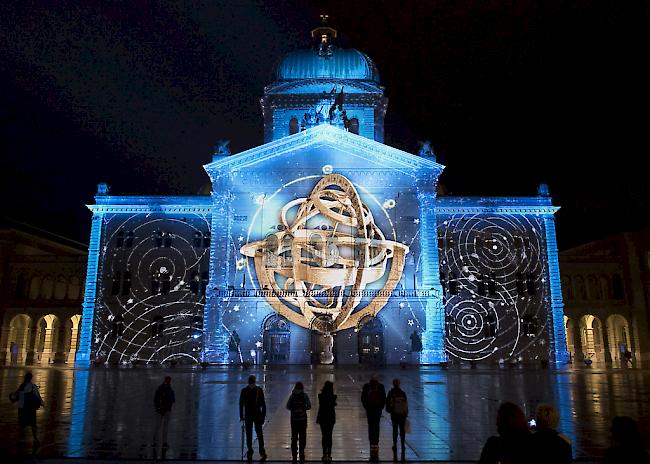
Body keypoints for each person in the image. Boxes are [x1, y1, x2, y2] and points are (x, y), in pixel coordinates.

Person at [11, 372, 43, 451]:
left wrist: (13, 399)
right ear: (31, 378)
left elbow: (18, 396)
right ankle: (35, 438)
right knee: (33, 424)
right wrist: (41, 403)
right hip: (31, 408)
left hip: (23, 409)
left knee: (22, 424)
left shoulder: (22, 386)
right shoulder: (33, 387)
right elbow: (38, 396)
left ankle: (21, 439)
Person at [239, 375, 267, 462]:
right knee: (259, 434)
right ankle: (262, 451)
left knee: (249, 434)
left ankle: (250, 451)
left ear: (248, 381)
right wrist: (263, 416)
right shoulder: (259, 390)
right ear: (255, 381)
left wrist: (241, 416)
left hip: (248, 415)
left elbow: (241, 404)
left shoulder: (244, 390)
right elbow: (263, 405)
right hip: (257, 414)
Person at [361, 374, 386, 462]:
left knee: (371, 425)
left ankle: (372, 442)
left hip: (370, 409)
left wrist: (366, 407)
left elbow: (363, 398)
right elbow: (384, 398)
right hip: (377, 410)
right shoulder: (381, 387)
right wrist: (381, 407)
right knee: (376, 425)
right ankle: (376, 442)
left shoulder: (367, 386)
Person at [286, 381, 311, 463]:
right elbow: (309, 406)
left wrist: (294, 409)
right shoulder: (304, 395)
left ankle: (294, 454)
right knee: (302, 437)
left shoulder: (292, 396)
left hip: (294, 420)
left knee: (294, 437)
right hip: (303, 420)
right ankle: (301, 453)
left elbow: (288, 406)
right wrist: (303, 408)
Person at [386, 378, 408, 461]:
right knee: (402, 429)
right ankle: (402, 445)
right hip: (402, 414)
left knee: (395, 429)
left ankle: (395, 445)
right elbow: (406, 404)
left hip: (394, 414)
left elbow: (387, 403)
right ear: (399, 384)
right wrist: (406, 413)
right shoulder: (402, 393)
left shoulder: (391, 393)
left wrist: (389, 410)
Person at [153, 376, 175, 451]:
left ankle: (155, 441)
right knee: (164, 427)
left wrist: (158, 407)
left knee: (158, 426)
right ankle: (163, 442)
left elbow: (156, 399)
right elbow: (172, 399)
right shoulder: (168, 389)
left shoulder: (161, 388)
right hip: (166, 410)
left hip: (161, 410)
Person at [316, 381, 337, 462]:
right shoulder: (333, 397)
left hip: (322, 418)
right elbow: (333, 404)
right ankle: (329, 454)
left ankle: (324, 453)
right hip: (330, 418)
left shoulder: (320, 396)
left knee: (324, 436)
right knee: (329, 436)